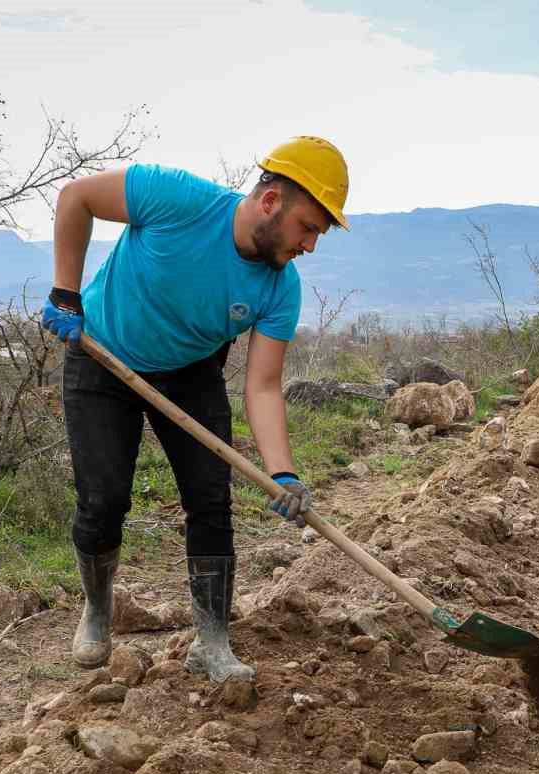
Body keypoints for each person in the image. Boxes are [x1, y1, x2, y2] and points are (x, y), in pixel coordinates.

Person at [39, 137, 349, 681]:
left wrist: (283, 472)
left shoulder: (280, 289)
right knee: (103, 499)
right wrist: (66, 295)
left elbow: (264, 386)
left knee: (210, 499)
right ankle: (98, 607)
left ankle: (212, 640)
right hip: (103, 357)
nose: (310, 246)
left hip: (189, 374)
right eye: (308, 228)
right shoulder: (175, 197)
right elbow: (75, 198)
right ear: (272, 201)